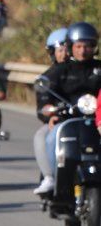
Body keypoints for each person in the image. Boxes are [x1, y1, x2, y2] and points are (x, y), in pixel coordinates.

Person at [36, 22, 101, 193]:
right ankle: (51, 178)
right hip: (66, 120)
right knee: (46, 137)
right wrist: (48, 113)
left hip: (97, 120)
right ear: (71, 47)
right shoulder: (60, 70)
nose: (82, 50)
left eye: (87, 46)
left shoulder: (99, 69)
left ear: (94, 47)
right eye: (78, 46)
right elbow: (44, 91)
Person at [32, 27, 69, 194]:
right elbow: (42, 105)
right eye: (60, 50)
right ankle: (49, 177)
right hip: (60, 121)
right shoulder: (48, 76)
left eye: (67, 49)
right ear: (53, 52)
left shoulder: (90, 70)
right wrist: (50, 116)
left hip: (90, 118)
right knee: (41, 135)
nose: (64, 54)